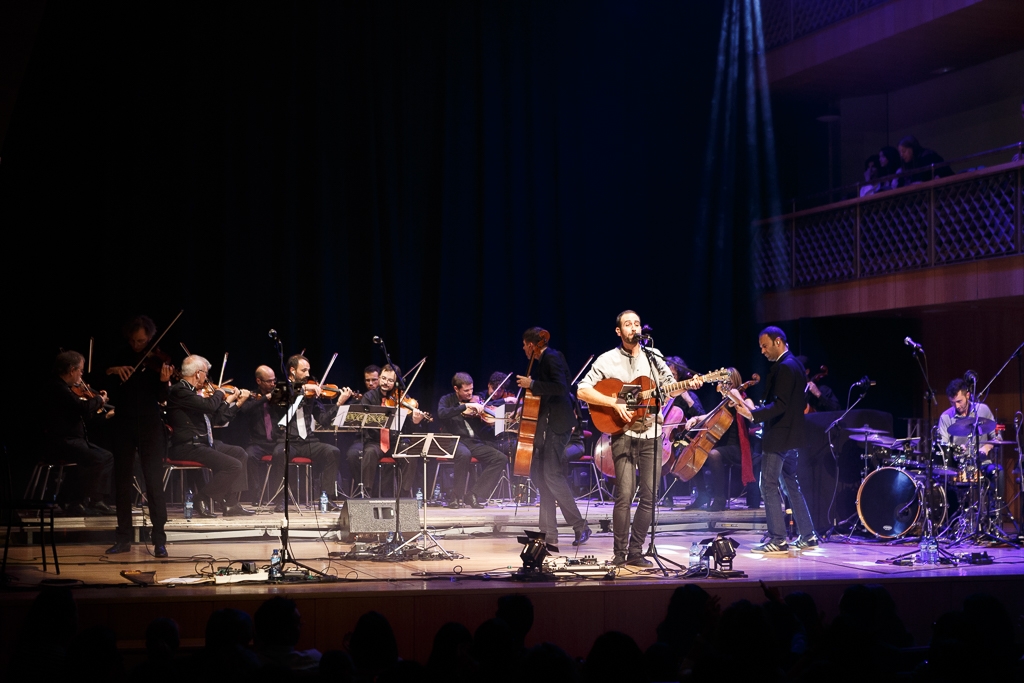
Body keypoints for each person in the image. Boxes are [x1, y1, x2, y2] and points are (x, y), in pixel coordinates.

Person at [577, 312, 701, 566]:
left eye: (636, 323)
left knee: (649, 495)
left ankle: (636, 552)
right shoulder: (607, 359)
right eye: (627, 324)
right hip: (623, 434)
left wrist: (689, 385)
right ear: (618, 331)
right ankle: (619, 554)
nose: (633, 328)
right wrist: (614, 402)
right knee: (624, 494)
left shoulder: (653, 357)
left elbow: (669, 385)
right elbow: (582, 389)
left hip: (653, 434)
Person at [515, 327, 591, 547]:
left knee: (551, 476)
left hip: (557, 426)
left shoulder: (551, 357)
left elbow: (560, 387)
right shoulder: (545, 360)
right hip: (548, 426)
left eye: (524, 345)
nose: (523, 349)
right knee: (543, 478)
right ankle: (548, 533)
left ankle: (580, 526)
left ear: (531, 344)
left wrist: (533, 385)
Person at [104, 315, 172, 556]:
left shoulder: (158, 360)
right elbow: (100, 380)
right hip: (123, 422)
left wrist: (164, 381)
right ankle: (123, 538)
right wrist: (113, 370)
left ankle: (159, 540)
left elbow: (162, 397)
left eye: (142, 341)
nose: (137, 346)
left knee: (154, 481)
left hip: (150, 424)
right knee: (122, 482)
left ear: (150, 338)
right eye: (133, 341)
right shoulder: (120, 354)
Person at [748, 327, 817, 553]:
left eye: (765, 346)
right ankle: (808, 535)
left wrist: (753, 414)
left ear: (778, 342)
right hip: (792, 437)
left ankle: (777, 539)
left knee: (767, 484)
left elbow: (780, 405)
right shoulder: (795, 364)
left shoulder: (785, 367)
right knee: (790, 484)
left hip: (779, 437)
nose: (762, 351)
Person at [166, 355, 254, 517]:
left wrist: (236, 403)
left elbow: (217, 418)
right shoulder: (180, 391)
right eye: (205, 373)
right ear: (198, 373)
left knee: (239, 453)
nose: (206, 378)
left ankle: (230, 504)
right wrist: (220, 392)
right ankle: (202, 497)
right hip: (187, 445)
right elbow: (210, 406)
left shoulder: (194, 393)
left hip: (203, 442)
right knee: (233, 465)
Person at [266, 354, 352, 510]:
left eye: (308, 370)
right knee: (280, 454)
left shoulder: (312, 393)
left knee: (332, 452)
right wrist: (304, 388)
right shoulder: (281, 388)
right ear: (292, 371)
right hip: (287, 440)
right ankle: (280, 499)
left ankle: (326, 498)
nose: (307, 374)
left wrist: (338, 404)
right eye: (303, 370)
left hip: (308, 441)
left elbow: (324, 420)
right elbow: (278, 396)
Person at [43, 351, 114, 517]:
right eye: (80, 371)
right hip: (61, 442)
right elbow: (79, 408)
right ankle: (80, 501)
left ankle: (86, 500)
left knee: (105, 456)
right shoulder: (58, 388)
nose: (81, 375)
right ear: (71, 370)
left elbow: (80, 414)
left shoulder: (64, 388)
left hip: (72, 441)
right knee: (98, 458)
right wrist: (99, 400)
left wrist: (103, 414)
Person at [684, 368, 759, 511]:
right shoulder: (724, 403)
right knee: (694, 455)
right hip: (723, 447)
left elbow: (754, 414)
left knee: (714, 454)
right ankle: (703, 495)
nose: (724, 386)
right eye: (722, 383)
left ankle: (720, 498)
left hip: (738, 448)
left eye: (727, 383)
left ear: (734, 382)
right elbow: (709, 416)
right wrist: (694, 418)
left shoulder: (744, 399)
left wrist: (737, 397)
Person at [436, 373, 509, 508]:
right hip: (453, 440)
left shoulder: (475, 402)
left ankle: (474, 494)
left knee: (500, 458)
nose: (470, 394)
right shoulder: (447, 400)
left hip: (472, 441)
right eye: (466, 391)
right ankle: (456, 497)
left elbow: (485, 417)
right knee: (464, 454)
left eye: (471, 390)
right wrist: (464, 407)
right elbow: (441, 413)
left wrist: (488, 420)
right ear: (456, 389)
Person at [359, 364, 427, 497]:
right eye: (383, 378)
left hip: (396, 441)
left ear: (396, 382)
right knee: (369, 453)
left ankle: (404, 494)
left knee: (410, 454)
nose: (385, 382)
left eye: (390, 380)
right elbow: (364, 422)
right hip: (375, 441)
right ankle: (366, 493)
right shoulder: (368, 397)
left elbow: (410, 428)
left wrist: (415, 422)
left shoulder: (402, 398)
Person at [937, 378, 1004, 503]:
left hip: (982, 463)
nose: (956, 406)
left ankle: (995, 515)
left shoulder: (983, 410)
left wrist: (987, 447)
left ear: (967, 395)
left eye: (959, 401)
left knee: (997, 471)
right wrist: (954, 450)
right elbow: (943, 446)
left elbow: (997, 437)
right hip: (958, 466)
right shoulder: (945, 417)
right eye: (952, 403)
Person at [237, 365, 278, 502]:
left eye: (274, 380)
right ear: (259, 381)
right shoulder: (251, 396)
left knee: (284, 453)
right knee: (249, 455)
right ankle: (257, 495)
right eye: (269, 381)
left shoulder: (279, 396)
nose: (273, 384)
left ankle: (279, 497)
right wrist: (265, 398)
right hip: (258, 443)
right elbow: (245, 409)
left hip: (277, 441)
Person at [345, 364, 383, 495]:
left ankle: (381, 491)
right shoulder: (363, 398)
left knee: (370, 453)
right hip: (363, 439)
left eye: (374, 380)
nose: (371, 383)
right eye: (368, 380)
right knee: (352, 455)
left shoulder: (388, 397)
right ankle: (362, 488)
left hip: (381, 440)